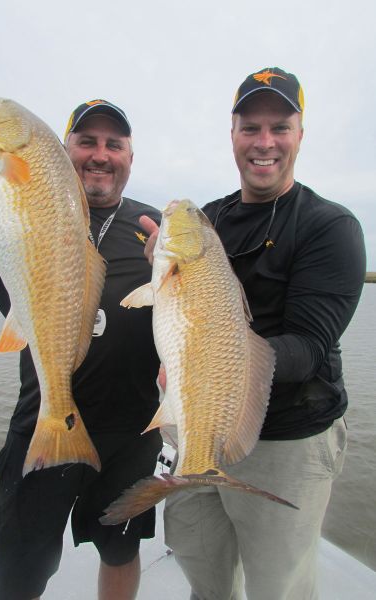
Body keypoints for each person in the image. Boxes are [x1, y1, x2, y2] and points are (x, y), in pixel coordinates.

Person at [140, 67, 366, 600]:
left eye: (279, 127)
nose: (264, 142)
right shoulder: (210, 218)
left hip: (287, 443)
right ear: (233, 135)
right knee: (203, 574)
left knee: (277, 588)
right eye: (250, 128)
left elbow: (308, 348)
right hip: (195, 426)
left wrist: (211, 365)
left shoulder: (330, 227)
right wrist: (161, 275)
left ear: (300, 135)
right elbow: (175, 316)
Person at [0, 99, 162, 600]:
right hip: (43, 421)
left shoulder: (154, 228)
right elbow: (7, 295)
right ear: (63, 150)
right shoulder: (30, 203)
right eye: (86, 141)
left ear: (130, 157)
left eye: (114, 144)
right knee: (20, 566)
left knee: (120, 550)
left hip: (130, 432)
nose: (100, 154)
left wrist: (174, 275)